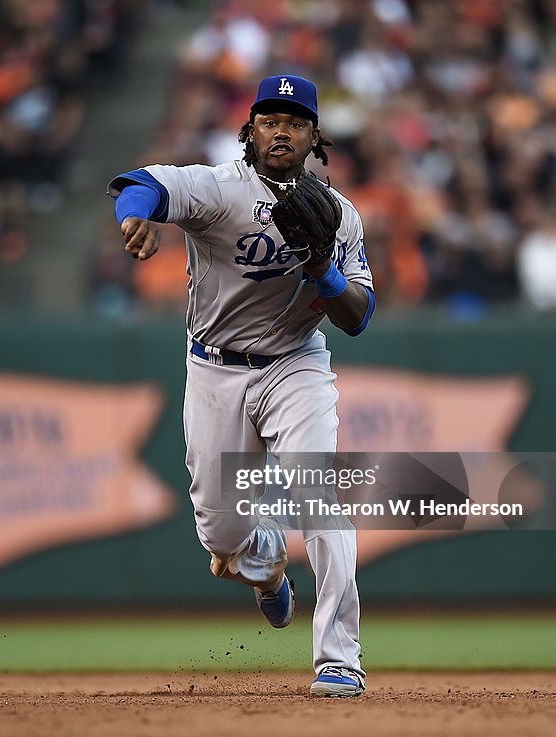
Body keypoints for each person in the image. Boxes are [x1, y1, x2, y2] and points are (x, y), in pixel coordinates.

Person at [107, 75, 374, 697]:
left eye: (295, 121)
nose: (281, 129)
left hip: (295, 365)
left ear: (315, 137)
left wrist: (323, 272)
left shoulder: (340, 216)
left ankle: (339, 657)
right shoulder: (218, 190)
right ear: (249, 129)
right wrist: (136, 220)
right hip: (214, 367)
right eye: (269, 118)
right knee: (220, 536)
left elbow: (358, 316)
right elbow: (140, 184)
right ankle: (265, 560)